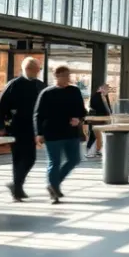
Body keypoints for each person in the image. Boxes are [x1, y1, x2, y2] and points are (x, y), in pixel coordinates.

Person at [33, 66, 87, 203]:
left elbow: (82, 110)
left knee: (74, 159)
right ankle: (54, 192)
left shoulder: (74, 91)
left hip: (71, 133)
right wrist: (38, 133)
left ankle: (53, 184)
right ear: (56, 76)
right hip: (52, 133)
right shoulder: (47, 93)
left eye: (68, 75)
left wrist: (79, 119)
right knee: (54, 162)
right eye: (64, 75)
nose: (67, 78)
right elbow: (38, 115)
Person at [0, 57, 46, 201]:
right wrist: (0, 125)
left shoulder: (39, 86)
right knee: (19, 158)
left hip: (32, 128)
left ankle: (16, 185)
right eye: (37, 69)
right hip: (17, 126)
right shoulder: (14, 84)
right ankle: (17, 188)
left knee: (30, 158)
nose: (38, 72)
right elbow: (1, 106)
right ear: (28, 69)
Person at [85, 83, 112, 158]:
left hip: (100, 118)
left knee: (96, 135)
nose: (108, 90)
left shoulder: (102, 95)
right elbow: (101, 107)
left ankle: (96, 150)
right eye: (106, 88)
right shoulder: (98, 96)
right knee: (94, 135)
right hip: (97, 119)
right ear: (101, 88)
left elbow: (107, 107)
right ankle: (91, 151)